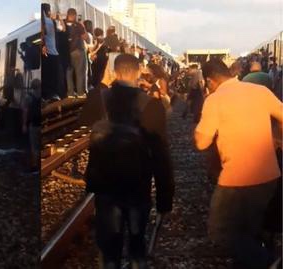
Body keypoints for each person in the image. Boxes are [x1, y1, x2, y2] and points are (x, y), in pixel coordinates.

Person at [85, 54, 174, 269]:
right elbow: (161, 154)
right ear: (137, 72)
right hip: (137, 187)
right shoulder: (152, 105)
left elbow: (85, 123)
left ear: (115, 72)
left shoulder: (99, 98)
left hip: (105, 187)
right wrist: (165, 197)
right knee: (137, 244)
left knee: (109, 250)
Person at [194, 59, 282, 269]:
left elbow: (201, 142)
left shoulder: (215, 100)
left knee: (220, 230)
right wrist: (277, 138)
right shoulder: (259, 91)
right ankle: (256, 260)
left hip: (236, 179)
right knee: (250, 229)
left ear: (209, 81)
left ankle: (269, 261)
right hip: (269, 174)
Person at [65, 8, 89, 98]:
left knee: (69, 72)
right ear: (74, 15)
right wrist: (83, 27)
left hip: (68, 51)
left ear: (68, 15)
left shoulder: (64, 24)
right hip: (78, 50)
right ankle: (80, 93)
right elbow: (85, 38)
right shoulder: (78, 25)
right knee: (80, 72)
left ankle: (70, 93)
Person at [41, 3, 62, 102]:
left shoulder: (42, 22)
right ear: (47, 11)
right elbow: (62, 29)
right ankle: (53, 94)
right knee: (53, 75)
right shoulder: (51, 21)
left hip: (46, 53)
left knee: (46, 75)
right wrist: (59, 18)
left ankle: (46, 95)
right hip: (53, 52)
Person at [22, 79, 41, 172]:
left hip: (33, 124)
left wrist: (24, 124)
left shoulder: (28, 97)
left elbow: (25, 111)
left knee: (34, 147)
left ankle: (34, 166)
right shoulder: (42, 95)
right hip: (41, 123)